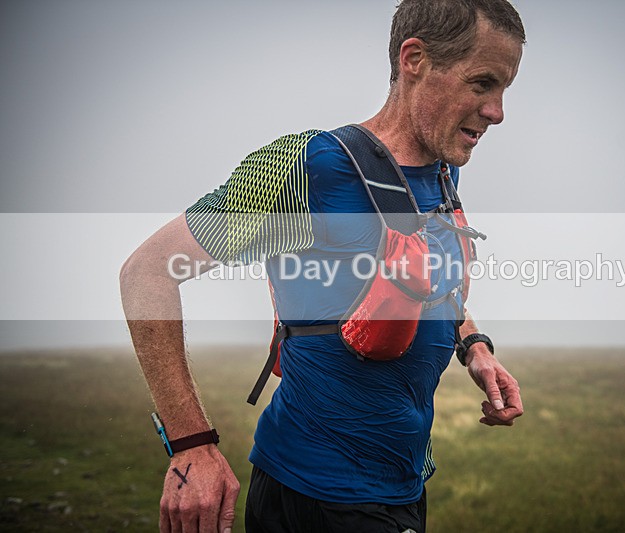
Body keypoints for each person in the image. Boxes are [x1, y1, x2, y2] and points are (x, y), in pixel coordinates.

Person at [119, 1, 525, 531]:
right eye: (482, 83)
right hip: (317, 496)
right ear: (415, 59)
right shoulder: (306, 167)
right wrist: (190, 445)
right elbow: (147, 271)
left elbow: (423, 283)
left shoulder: (443, 174)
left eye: (504, 90)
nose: (496, 111)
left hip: (399, 486)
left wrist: (474, 347)